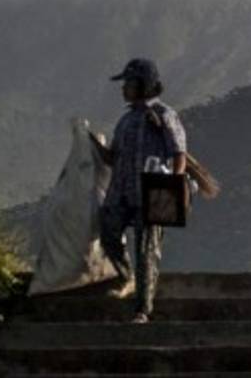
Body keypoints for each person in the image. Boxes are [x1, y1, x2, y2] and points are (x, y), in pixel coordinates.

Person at [95, 57, 187, 324]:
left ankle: (143, 310)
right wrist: (92, 144)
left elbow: (179, 153)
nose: (124, 89)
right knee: (108, 230)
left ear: (143, 85)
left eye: (128, 83)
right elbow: (114, 158)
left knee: (147, 250)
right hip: (121, 192)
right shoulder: (125, 121)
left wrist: (172, 186)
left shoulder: (164, 115)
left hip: (152, 191)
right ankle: (127, 277)